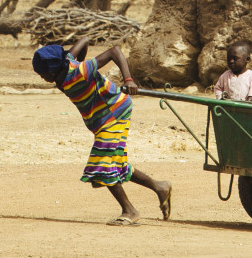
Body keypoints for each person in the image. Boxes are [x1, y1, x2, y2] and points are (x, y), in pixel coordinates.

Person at [32, 32, 172, 226]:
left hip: (114, 112)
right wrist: (76, 58)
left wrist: (128, 79)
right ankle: (160, 186)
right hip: (102, 119)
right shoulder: (65, 65)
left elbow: (114, 51)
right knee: (117, 164)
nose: (43, 78)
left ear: (53, 70)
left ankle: (129, 210)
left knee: (101, 162)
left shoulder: (80, 70)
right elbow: (84, 40)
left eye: (43, 74)